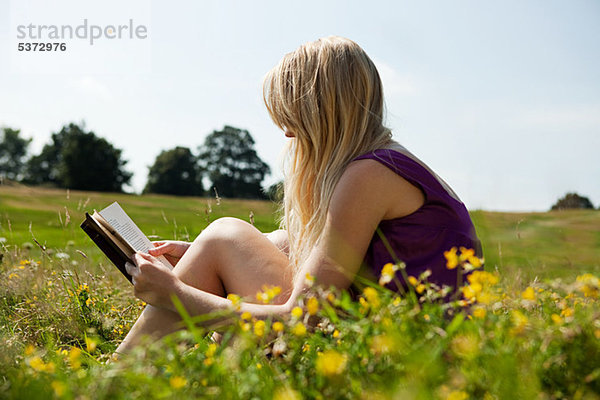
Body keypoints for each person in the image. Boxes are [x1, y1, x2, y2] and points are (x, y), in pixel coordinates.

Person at [115, 36, 481, 354]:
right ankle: (175, 373)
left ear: (320, 114)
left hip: (392, 356)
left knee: (225, 234)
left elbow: (300, 317)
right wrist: (200, 255)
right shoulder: (393, 164)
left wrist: (174, 292)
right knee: (273, 241)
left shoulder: (368, 175)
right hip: (409, 341)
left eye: (292, 120)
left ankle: (115, 378)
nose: (289, 136)